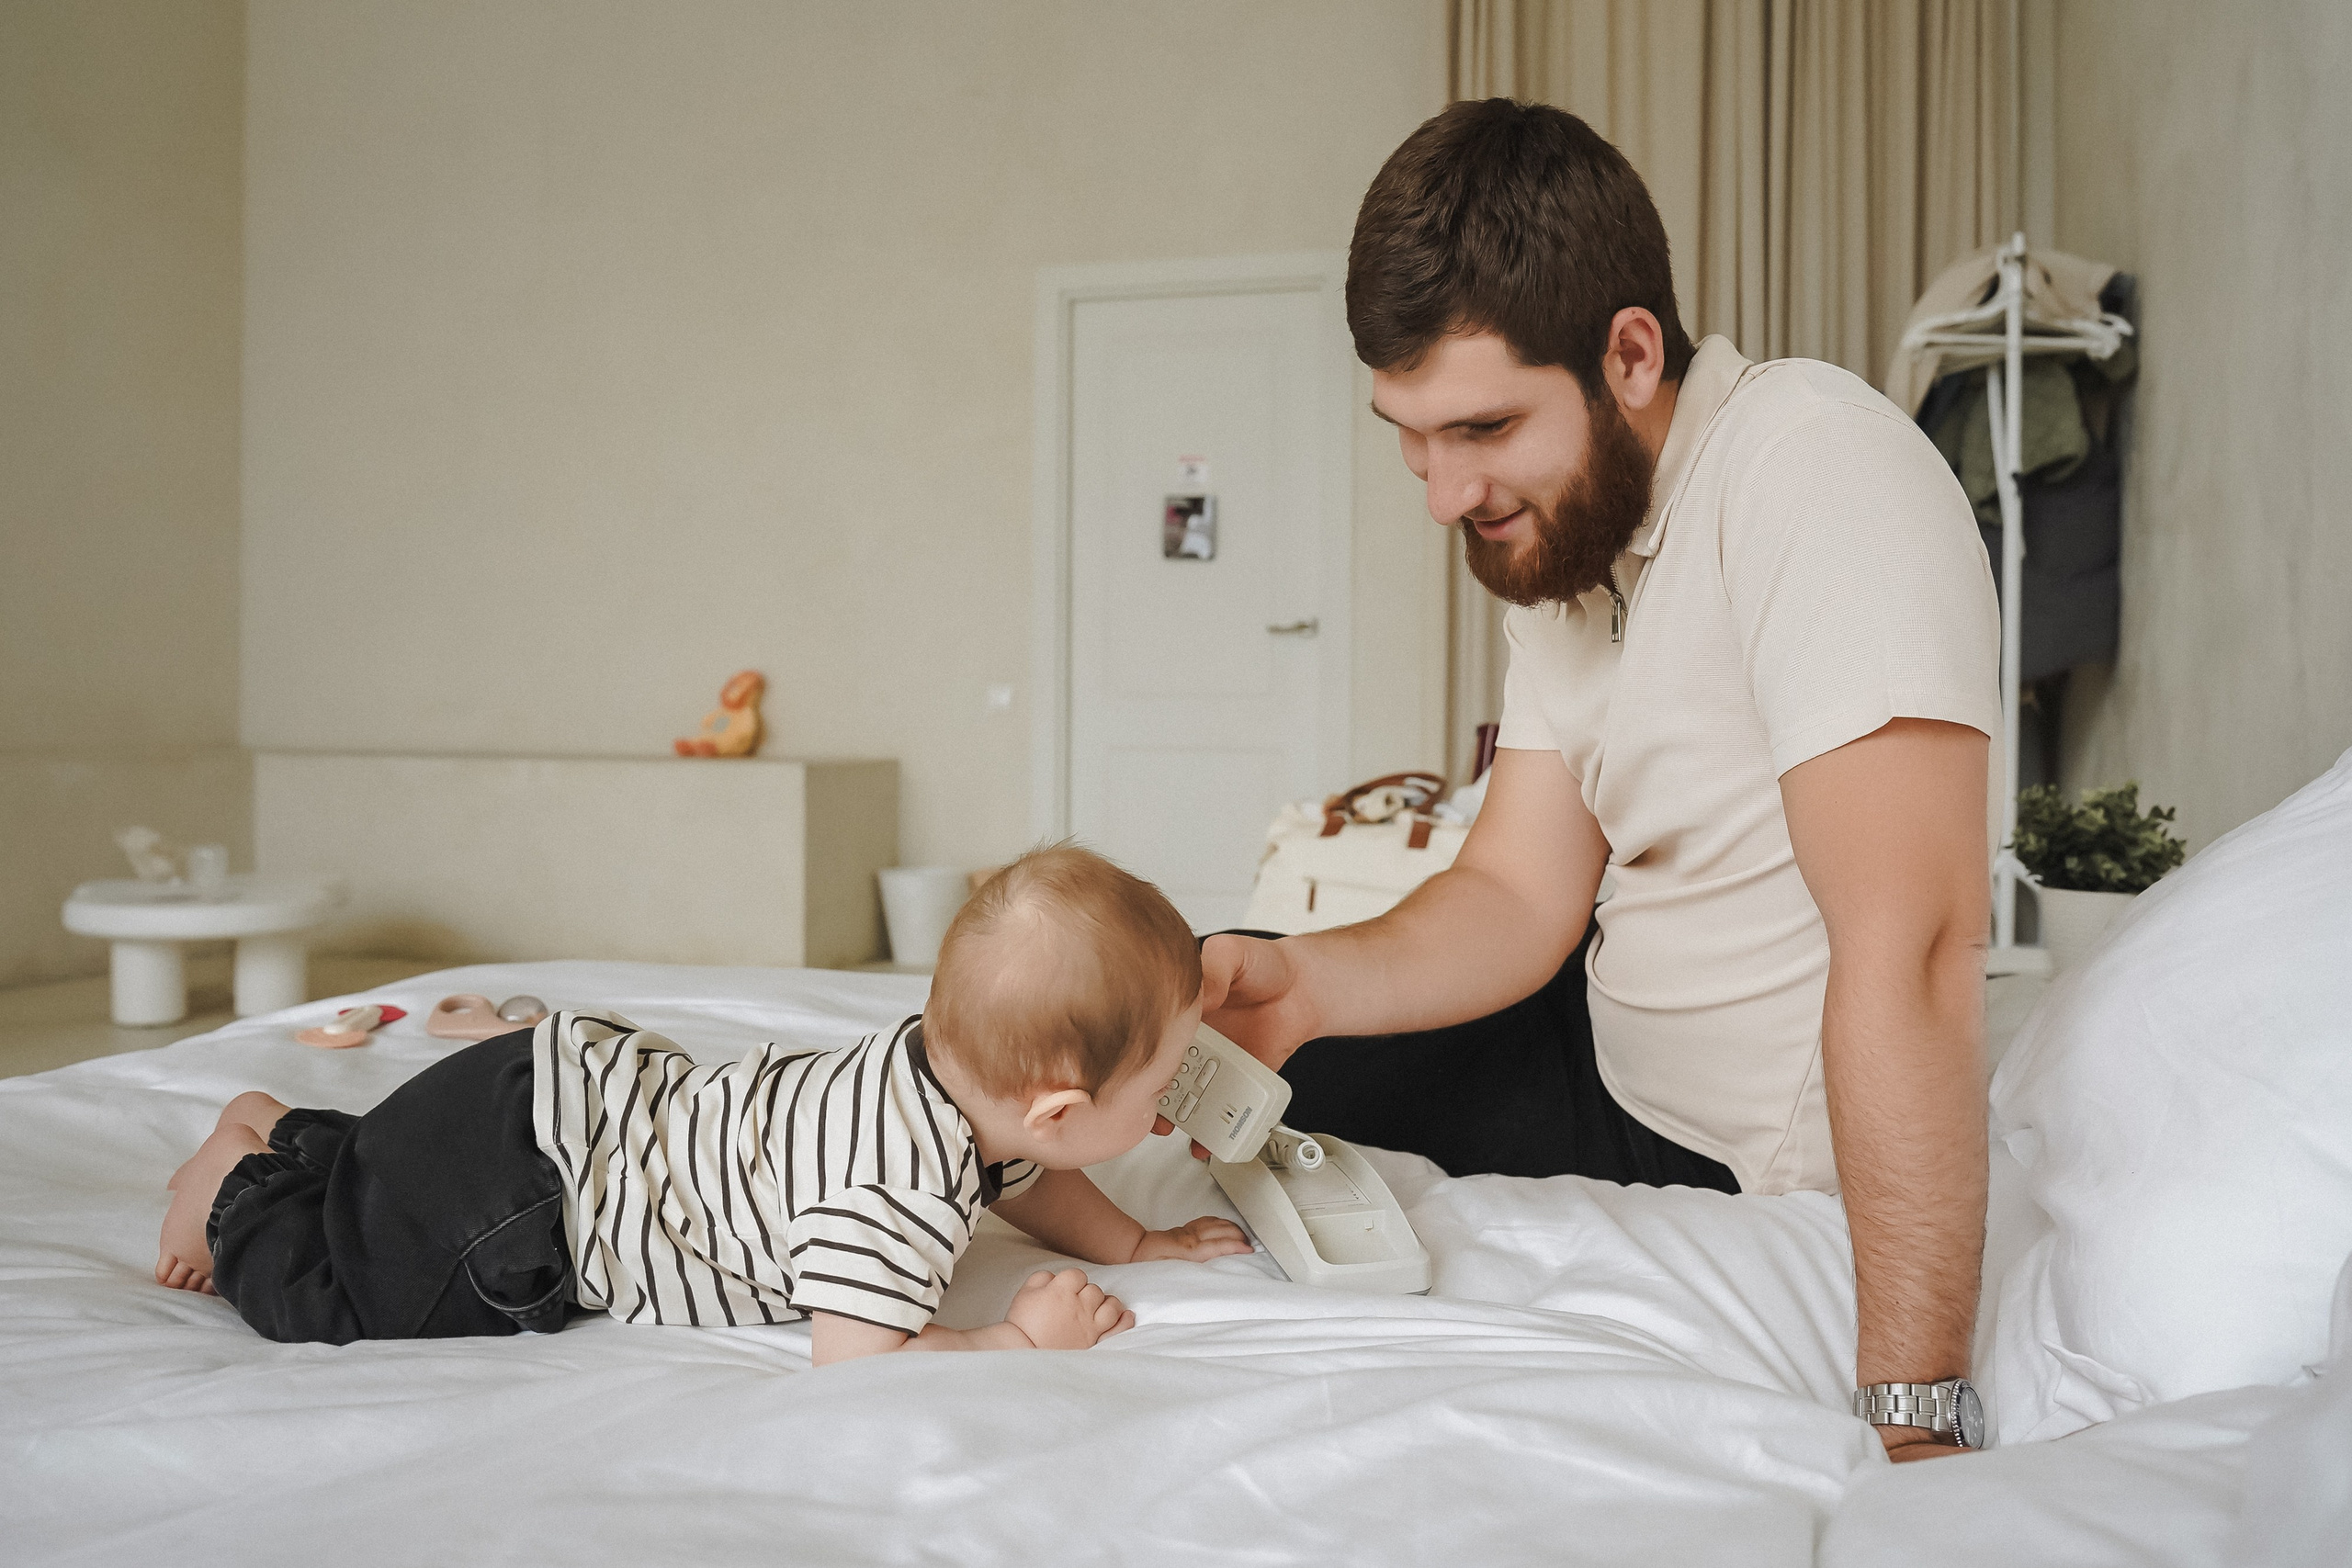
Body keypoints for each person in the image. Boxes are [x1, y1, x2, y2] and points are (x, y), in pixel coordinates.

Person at [1203, 100, 1999, 1461]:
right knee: (1220, 1023)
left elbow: (1914, 948)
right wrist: (1314, 983)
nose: (1444, 491)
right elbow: (1518, 886)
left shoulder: (1817, 472)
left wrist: (1914, 1412)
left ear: (1630, 352)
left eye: (1482, 427)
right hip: (1596, 1027)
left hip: (1716, 1138)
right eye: (1411, 433)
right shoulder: (1580, 534)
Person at [155, 845, 1250, 1365]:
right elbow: (858, 1364)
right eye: (1160, 1085)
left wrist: (1139, 1242)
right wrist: (1019, 1339)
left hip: (553, 1089)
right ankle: (236, 1180)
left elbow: (1039, 1180)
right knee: (351, 1291)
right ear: (1055, 1107)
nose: (1172, 1104)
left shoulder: (948, 1077)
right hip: (528, 1196)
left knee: (389, 1175)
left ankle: (291, 1130)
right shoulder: (900, 1187)